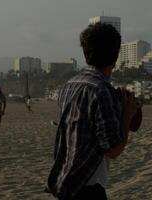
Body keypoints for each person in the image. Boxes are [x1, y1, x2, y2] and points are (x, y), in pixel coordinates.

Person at [47, 23, 138, 200]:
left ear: (85, 52)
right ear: (116, 55)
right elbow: (113, 150)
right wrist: (127, 114)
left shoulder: (70, 84)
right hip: (88, 186)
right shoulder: (102, 89)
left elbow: (87, 127)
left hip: (67, 180)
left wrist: (117, 107)